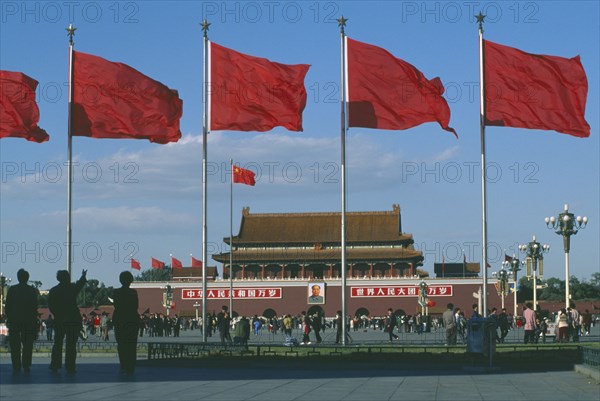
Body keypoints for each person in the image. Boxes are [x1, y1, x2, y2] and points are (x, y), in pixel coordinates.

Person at [48, 269, 87, 374]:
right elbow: (79, 285)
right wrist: (83, 276)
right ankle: (70, 366)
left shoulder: (54, 290)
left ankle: (55, 364)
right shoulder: (71, 288)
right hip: (72, 320)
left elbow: (51, 306)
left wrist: (58, 314)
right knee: (71, 344)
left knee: (58, 343)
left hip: (60, 320)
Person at [5, 268, 39, 374]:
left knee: (15, 345)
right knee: (27, 345)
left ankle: (16, 364)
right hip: (28, 321)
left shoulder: (12, 290)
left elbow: (8, 307)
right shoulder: (32, 290)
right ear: (27, 278)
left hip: (14, 321)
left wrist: (9, 318)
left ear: (18, 277)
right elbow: (35, 307)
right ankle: (26, 364)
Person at [112, 271, 140, 375]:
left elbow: (117, 306)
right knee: (132, 345)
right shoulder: (133, 292)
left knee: (122, 345)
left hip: (120, 320)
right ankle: (131, 366)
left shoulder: (116, 292)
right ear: (130, 280)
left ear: (120, 280)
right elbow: (135, 306)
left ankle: (123, 365)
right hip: (132, 320)